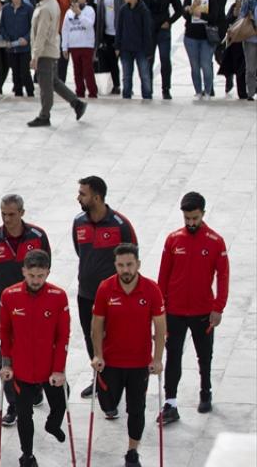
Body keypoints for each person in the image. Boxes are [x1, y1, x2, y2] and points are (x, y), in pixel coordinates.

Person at [91, 243, 166, 467]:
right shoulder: (105, 288)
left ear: (138, 265)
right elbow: (96, 326)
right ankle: (109, 404)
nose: (125, 270)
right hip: (111, 361)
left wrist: (157, 359)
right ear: (115, 265)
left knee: (136, 409)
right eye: (121, 265)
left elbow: (160, 328)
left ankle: (132, 452)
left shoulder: (152, 290)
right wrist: (97, 355)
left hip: (138, 363)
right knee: (107, 401)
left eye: (129, 265)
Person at [157, 192, 228, 423]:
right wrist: (161, 309)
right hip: (175, 311)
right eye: (187, 218)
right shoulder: (173, 240)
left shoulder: (215, 242)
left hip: (202, 311)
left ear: (203, 214)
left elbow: (223, 276)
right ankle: (170, 401)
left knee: (204, 355)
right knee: (173, 355)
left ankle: (205, 392)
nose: (190, 223)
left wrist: (218, 307)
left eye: (195, 218)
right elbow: (163, 276)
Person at [0, 250, 70, 467]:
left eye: (40, 276)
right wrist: (6, 364)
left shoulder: (59, 296)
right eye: (31, 276)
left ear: (47, 272)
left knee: (63, 397)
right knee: (24, 413)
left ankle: (52, 425)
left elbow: (63, 335)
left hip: (49, 367)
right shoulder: (9, 295)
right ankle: (27, 454)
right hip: (22, 368)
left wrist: (59, 370)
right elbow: (4, 332)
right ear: (24, 272)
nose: (36, 281)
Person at [0, 194, 51, 427]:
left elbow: (45, 266)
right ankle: (13, 403)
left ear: (22, 213)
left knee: (37, 345)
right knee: (7, 352)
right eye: (3, 213)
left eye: (11, 214)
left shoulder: (38, 236)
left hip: (36, 303)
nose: (7, 218)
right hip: (4, 305)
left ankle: (36, 387)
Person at [72, 175, 139, 399]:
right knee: (92, 335)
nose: (78, 197)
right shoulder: (79, 222)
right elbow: (79, 252)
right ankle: (99, 378)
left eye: (83, 193)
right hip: (86, 294)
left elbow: (131, 259)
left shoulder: (120, 225)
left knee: (115, 337)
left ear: (97, 197)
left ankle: (116, 381)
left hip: (113, 297)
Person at [27, 0, 87, 127]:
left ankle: (44, 115)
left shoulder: (47, 7)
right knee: (54, 82)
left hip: (45, 52)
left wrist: (35, 55)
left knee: (45, 85)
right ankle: (76, 103)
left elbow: (41, 34)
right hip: (50, 49)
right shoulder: (49, 3)